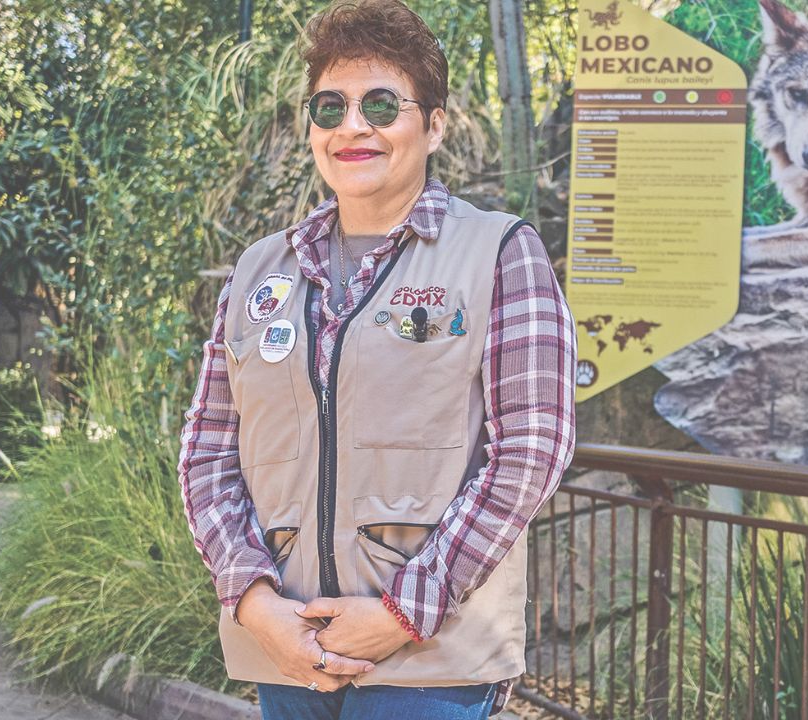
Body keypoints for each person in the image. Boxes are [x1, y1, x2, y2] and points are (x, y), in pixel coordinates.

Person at [176, 1, 577, 718]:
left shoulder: (499, 254)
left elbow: (531, 450)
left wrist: (402, 612)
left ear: (435, 124)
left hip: (431, 661)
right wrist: (256, 601)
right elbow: (208, 452)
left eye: (382, 103)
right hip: (290, 650)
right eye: (330, 106)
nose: (352, 126)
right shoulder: (258, 273)